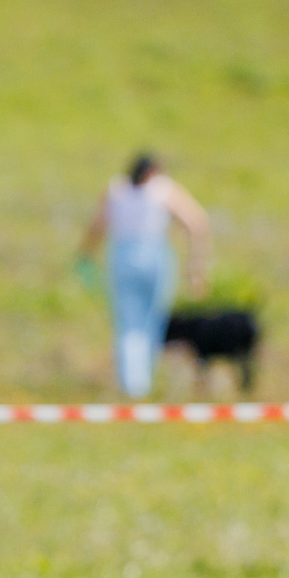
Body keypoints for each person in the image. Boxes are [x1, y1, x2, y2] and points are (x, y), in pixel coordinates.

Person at [76, 151, 210, 397]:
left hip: (122, 257)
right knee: (151, 321)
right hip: (155, 255)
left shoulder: (116, 190)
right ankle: (140, 384)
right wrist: (196, 270)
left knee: (128, 323)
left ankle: (132, 385)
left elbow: (97, 225)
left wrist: (85, 255)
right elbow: (195, 222)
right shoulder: (162, 189)